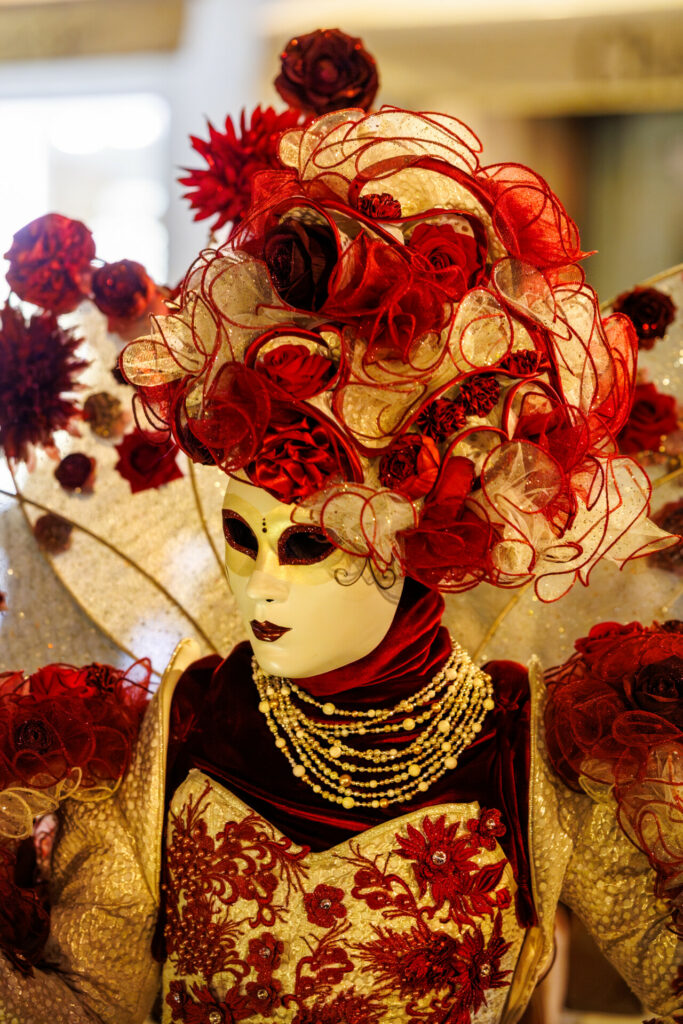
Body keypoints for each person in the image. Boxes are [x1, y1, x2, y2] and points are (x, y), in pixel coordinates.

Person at [1, 27, 681, 1024]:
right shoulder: (172, 731)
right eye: (241, 536)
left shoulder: (533, 744)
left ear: (413, 548)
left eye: (306, 542)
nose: (256, 582)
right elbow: (89, 1006)